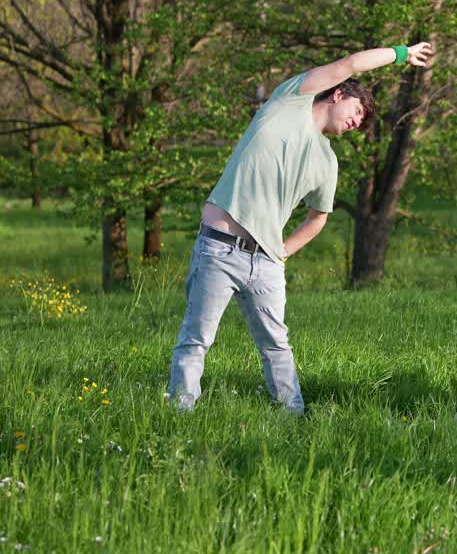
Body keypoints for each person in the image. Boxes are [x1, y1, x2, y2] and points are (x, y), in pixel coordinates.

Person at [168, 42, 434, 414]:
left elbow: (318, 218)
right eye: (357, 111)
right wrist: (403, 54)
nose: (357, 123)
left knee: (277, 344)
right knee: (197, 339)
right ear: (338, 93)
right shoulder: (289, 100)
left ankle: (293, 415)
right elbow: (354, 63)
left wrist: (281, 253)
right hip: (219, 247)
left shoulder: (327, 161)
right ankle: (180, 413)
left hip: (266, 262)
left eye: (362, 121)